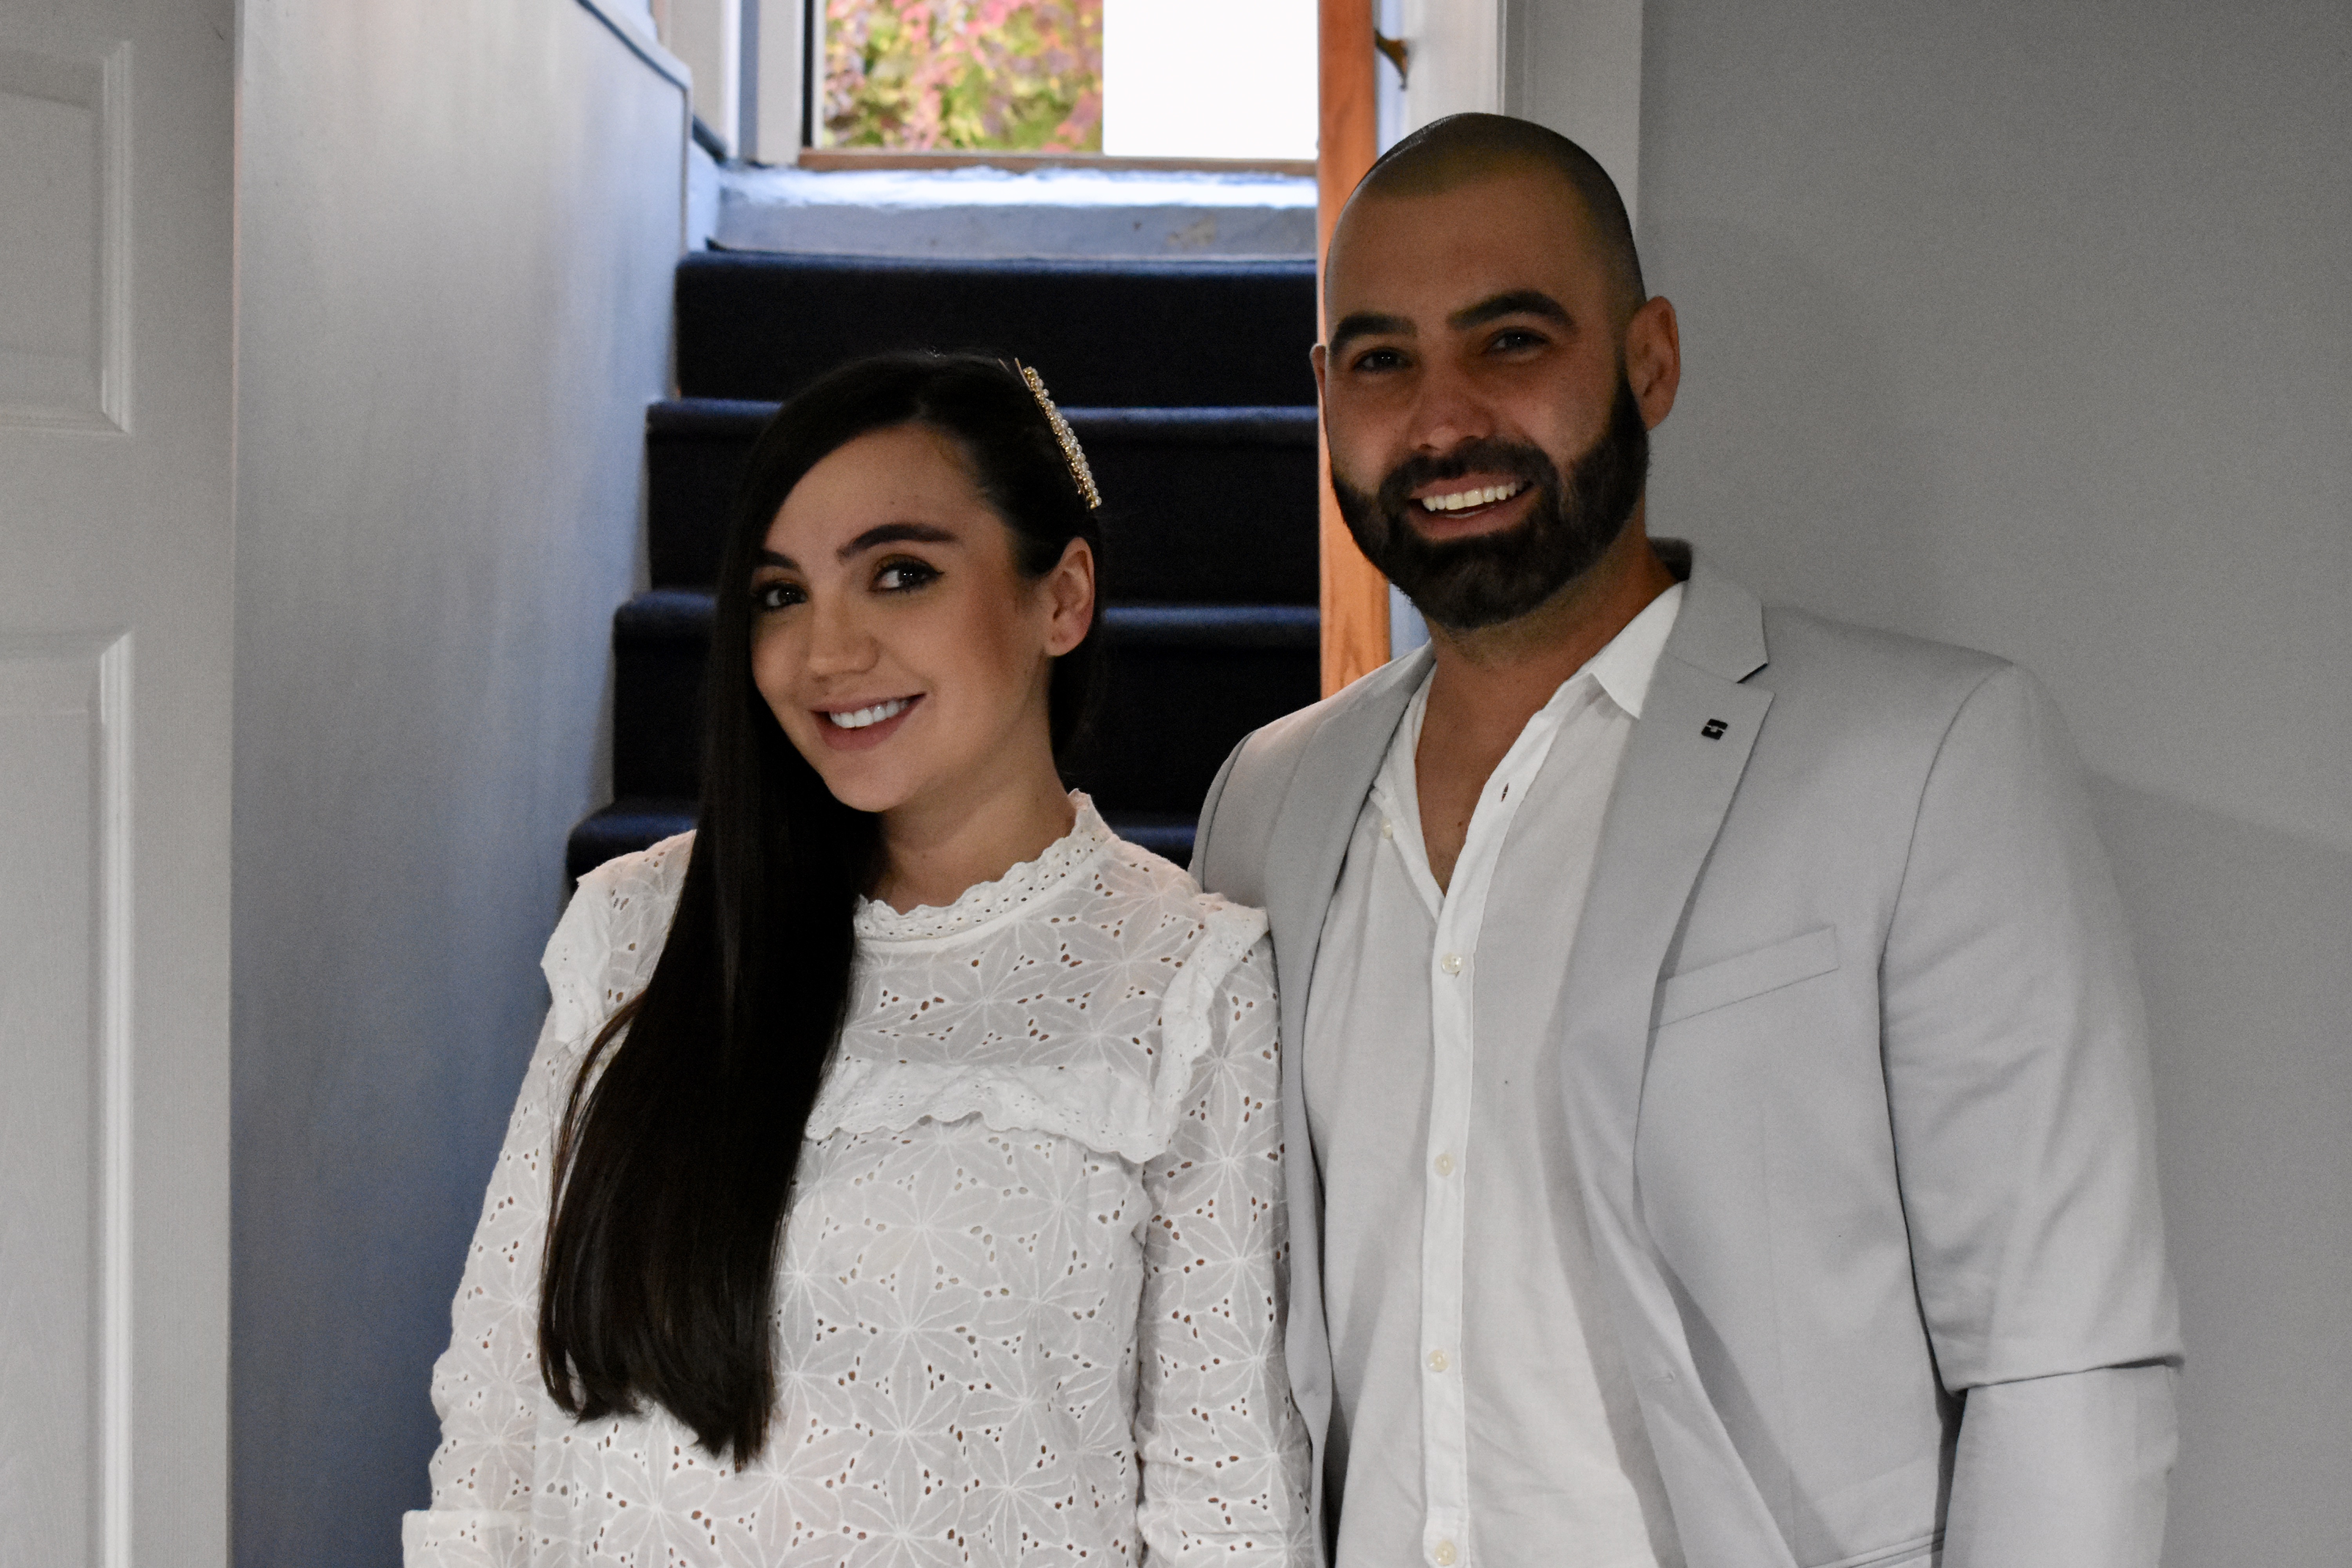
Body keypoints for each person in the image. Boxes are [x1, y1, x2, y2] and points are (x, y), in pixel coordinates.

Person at [1191, 113, 2180, 1568]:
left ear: (1649, 360)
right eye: (1383, 361)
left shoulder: (1929, 757)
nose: (1445, 420)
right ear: (1327, 395)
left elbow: (2062, 1362)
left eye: (1511, 341)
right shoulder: (1266, 800)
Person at [404, 352, 1312, 1566]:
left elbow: (1227, 1508)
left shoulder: (1184, 979)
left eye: (900, 575)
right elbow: (496, 1422)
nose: (825, 654)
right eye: (781, 594)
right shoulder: (637, 926)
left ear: (1062, 599)